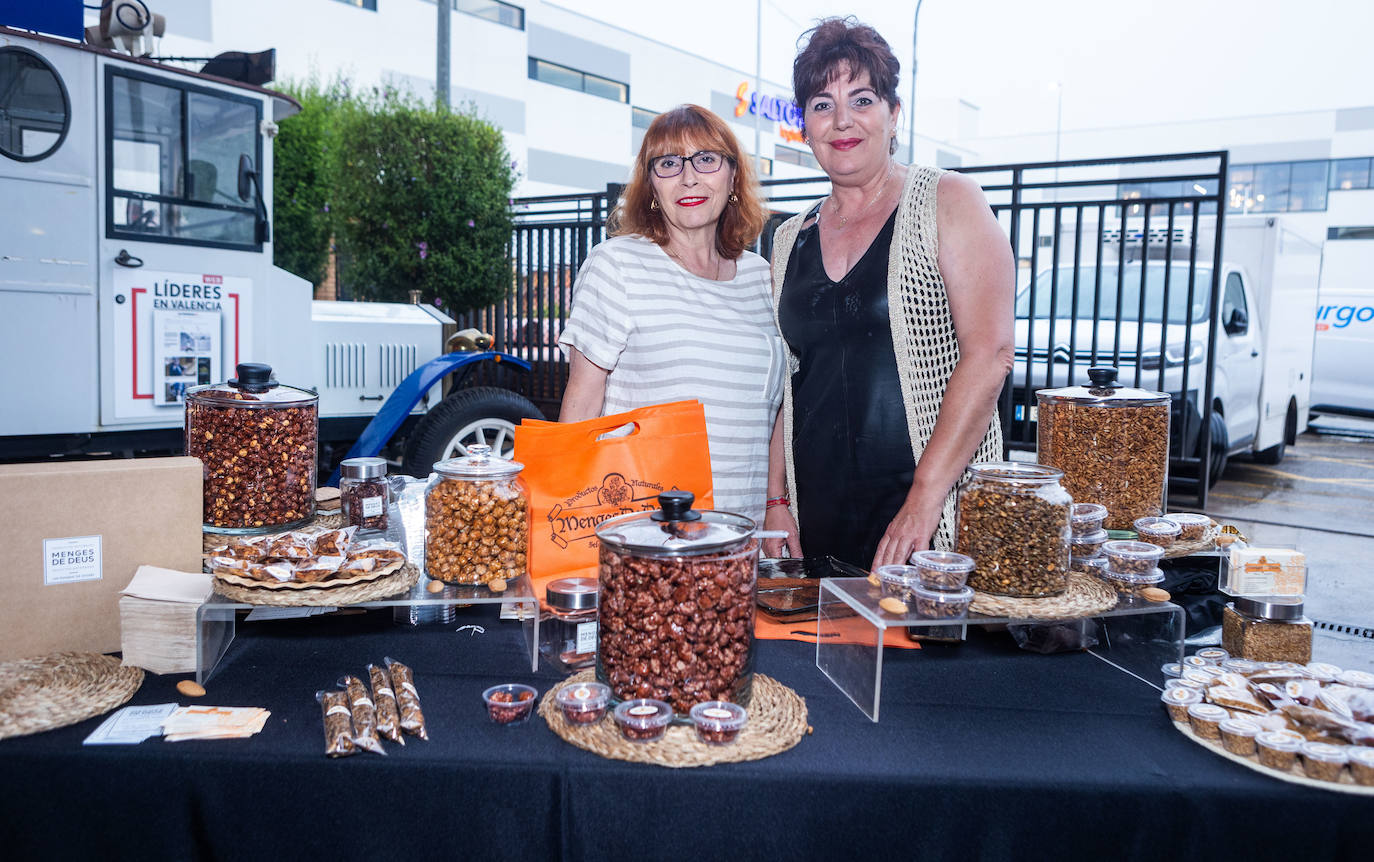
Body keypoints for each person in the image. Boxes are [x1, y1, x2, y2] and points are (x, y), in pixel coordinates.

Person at [762, 18, 1014, 571]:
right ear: (805, 126)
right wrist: (776, 501)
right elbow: (788, 379)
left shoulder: (949, 199)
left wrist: (924, 500)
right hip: (817, 521)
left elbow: (990, 354)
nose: (842, 120)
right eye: (822, 104)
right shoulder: (787, 239)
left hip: (931, 518)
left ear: (893, 114)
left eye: (862, 98)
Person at [557, 104, 784, 524]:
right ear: (651, 185)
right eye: (668, 163)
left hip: (745, 535)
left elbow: (777, 412)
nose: (689, 177)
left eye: (706, 159)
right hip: (644, 536)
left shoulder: (763, 279)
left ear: (732, 176)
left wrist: (777, 504)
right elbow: (581, 409)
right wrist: (564, 531)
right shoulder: (617, 265)